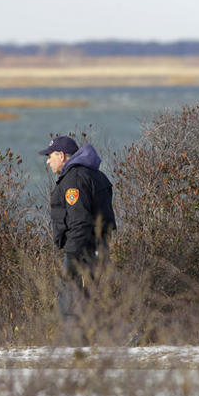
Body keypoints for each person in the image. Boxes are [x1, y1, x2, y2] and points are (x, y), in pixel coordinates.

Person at [39, 135, 116, 321]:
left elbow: (80, 220)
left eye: (50, 156)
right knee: (91, 302)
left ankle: (76, 346)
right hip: (98, 247)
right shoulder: (96, 175)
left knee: (70, 307)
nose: (48, 161)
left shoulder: (74, 179)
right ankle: (116, 339)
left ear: (62, 155)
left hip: (82, 251)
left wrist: (72, 255)